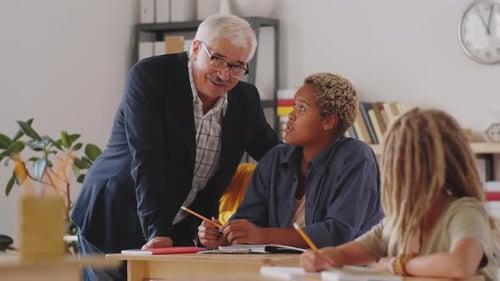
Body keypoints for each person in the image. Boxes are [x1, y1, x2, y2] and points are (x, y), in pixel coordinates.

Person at [71, 14, 280, 281]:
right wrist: (157, 231)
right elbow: (148, 160)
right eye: (217, 59)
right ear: (195, 49)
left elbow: (274, 154)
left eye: (237, 66)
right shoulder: (151, 77)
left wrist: (318, 165)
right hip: (115, 213)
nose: (224, 74)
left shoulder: (245, 99)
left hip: (179, 224)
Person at [300, 108, 499, 281]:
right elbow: (344, 254)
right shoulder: (395, 223)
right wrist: (322, 257)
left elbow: (460, 265)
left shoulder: (465, 212)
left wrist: (397, 264)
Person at [198, 72, 382, 250]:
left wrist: (263, 236)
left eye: (301, 108)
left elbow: (338, 233)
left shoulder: (356, 157)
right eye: (293, 106)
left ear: (328, 122)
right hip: (287, 269)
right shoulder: (275, 158)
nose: (291, 114)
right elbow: (250, 221)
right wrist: (226, 236)